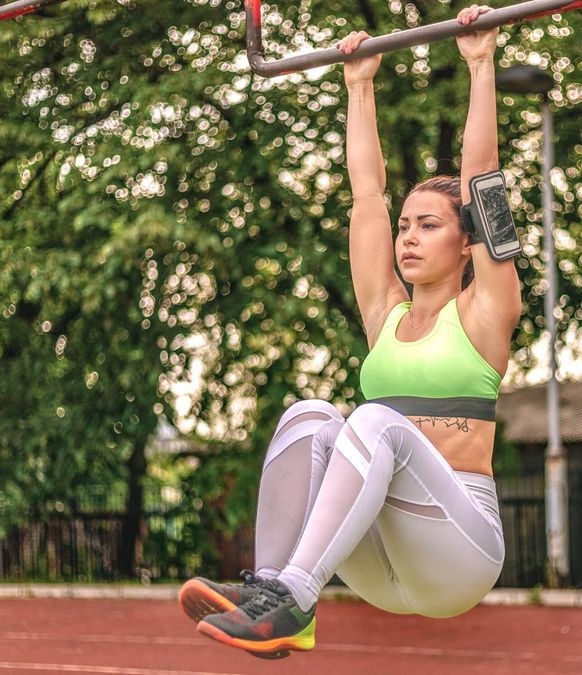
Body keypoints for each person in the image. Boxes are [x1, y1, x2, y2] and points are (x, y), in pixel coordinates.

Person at [179, 4, 522, 658]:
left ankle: (292, 596)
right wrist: (358, 85)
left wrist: (481, 66)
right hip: (383, 558)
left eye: (429, 224)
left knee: (372, 419)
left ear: (468, 241)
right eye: (406, 225)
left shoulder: (486, 312)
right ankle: (281, 597)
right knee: (311, 415)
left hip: (459, 549)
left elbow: (484, 183)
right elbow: (368, 194)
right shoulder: (384, 314)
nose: (409, 236)